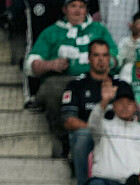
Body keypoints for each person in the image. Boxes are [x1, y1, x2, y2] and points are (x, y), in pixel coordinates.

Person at [25, 0, 117, 136]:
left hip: (94, 78)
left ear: (87, 10)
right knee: (52, 90)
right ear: (64, 9)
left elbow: (116, 57)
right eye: (73, 6)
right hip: (61, 81)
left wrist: (103, 63)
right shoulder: (51, 32)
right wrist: (50, 64)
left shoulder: (99, 29)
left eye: (81, 6)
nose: (77, 10)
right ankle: (62, 141)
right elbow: (31, 64)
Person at [61, 40, 122, 185]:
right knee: (83, 134)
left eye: (104, 55)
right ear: (89, 58)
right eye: (96, 55)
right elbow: (68, 120)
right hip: (88, 136)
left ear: (110, 59)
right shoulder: (76, 85)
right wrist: (95, 130)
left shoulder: (121, 85)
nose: (101, 59)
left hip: (116, 137)